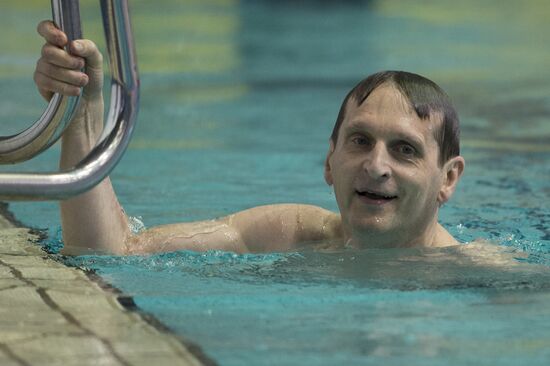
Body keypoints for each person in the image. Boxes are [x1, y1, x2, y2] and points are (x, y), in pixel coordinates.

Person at [33, 20, 465, 256]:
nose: (375, 165)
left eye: (405, 149)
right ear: (329, 162)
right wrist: (82, 112)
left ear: (448, 179)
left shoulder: (481, 278)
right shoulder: (290, 233)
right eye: (359, 140)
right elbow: (112, 251)